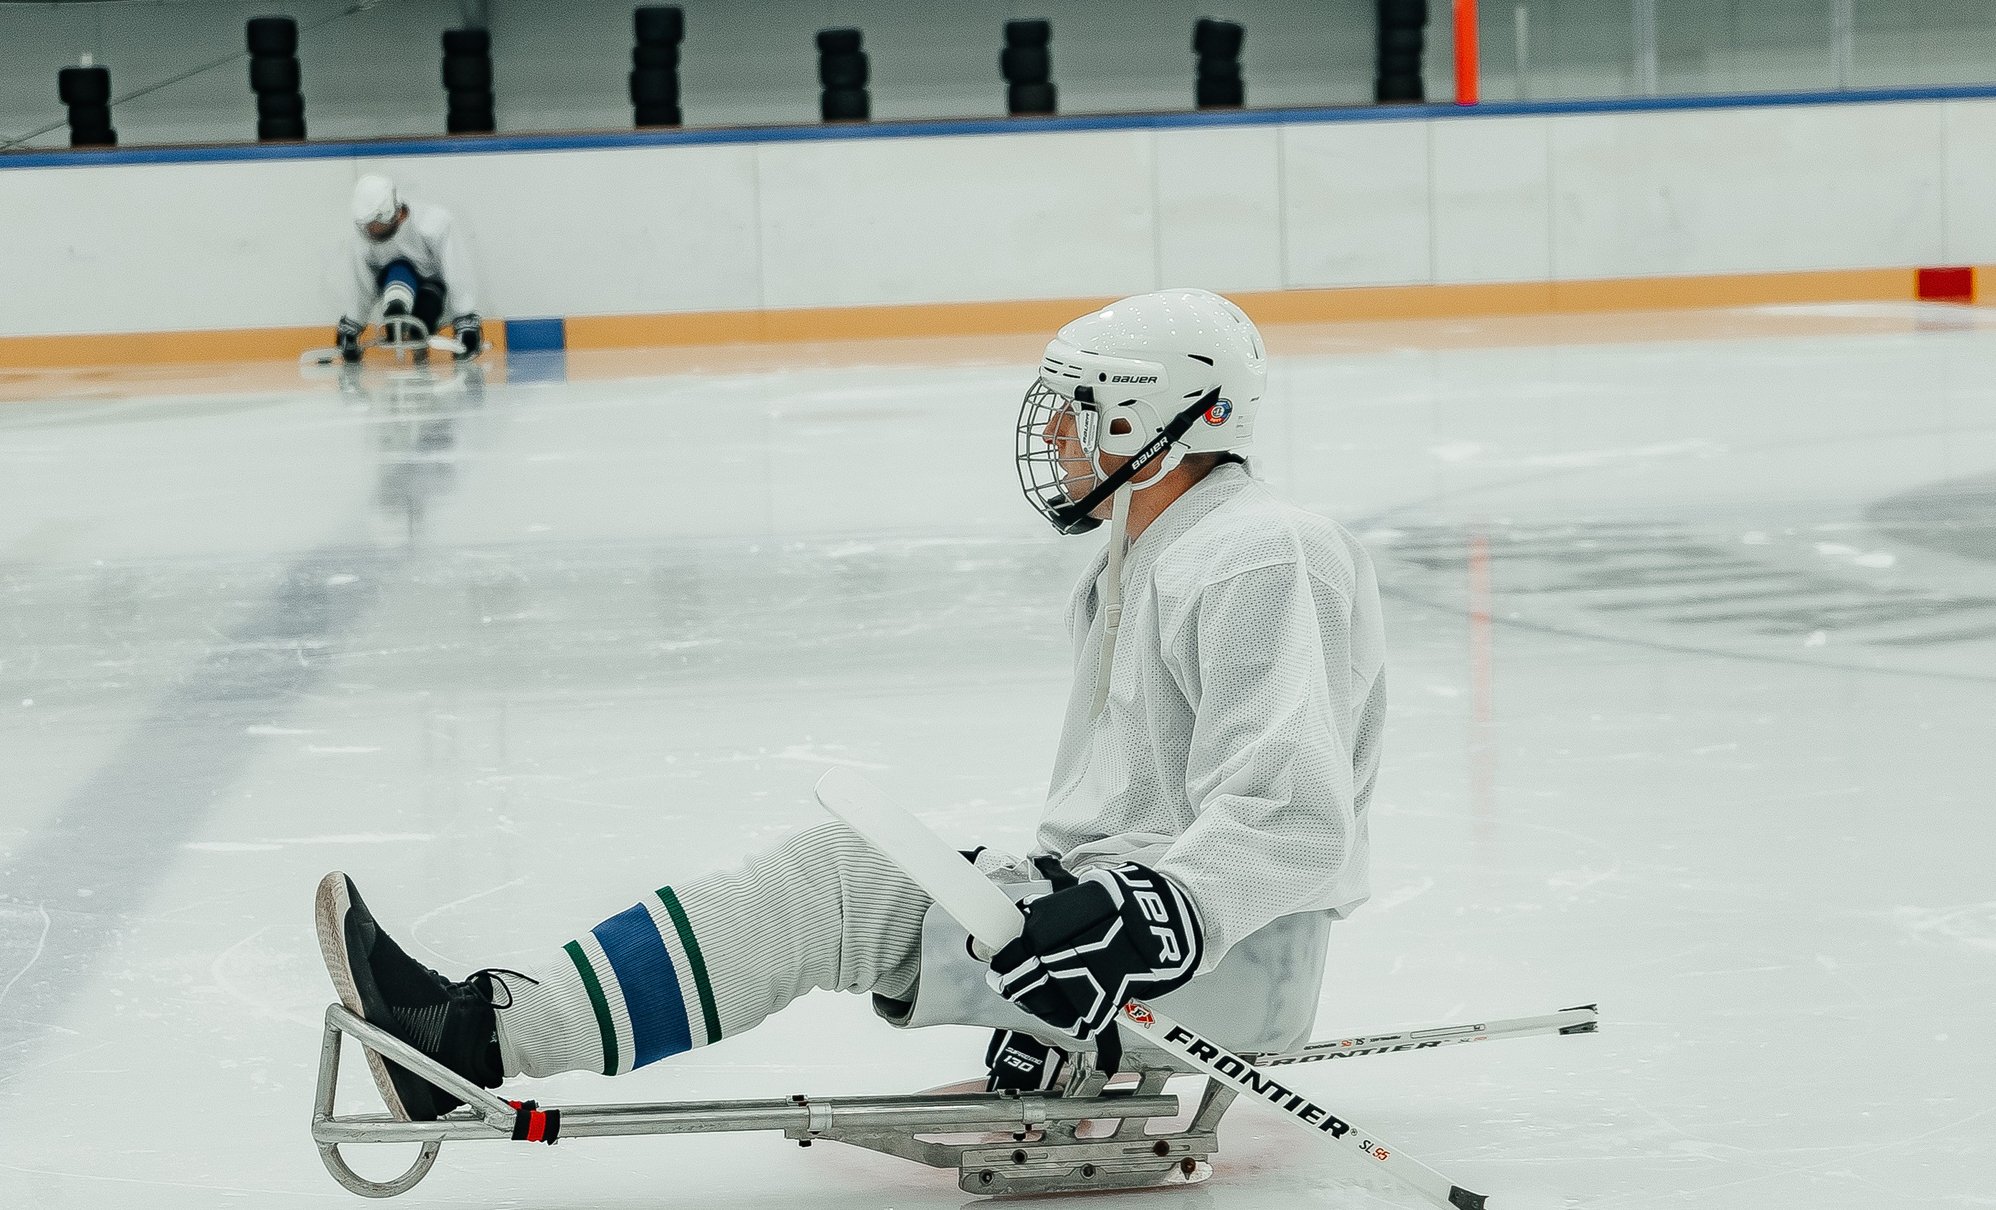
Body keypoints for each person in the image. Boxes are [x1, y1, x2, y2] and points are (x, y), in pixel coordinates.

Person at [314, 287, 1387, 1122]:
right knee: (847, 870)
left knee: (835, 886)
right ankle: (480, 1028)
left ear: (1158, 419)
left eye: (1082, 408)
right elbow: (1127, 808)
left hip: (1232, 966)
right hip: (1143, 941)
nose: (1056, 434)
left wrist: (1126, 929)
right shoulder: (1146, 554)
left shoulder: (1256, 553)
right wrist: (1066, 931)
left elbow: (1291, 818)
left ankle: (472, 1039)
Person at [337, 174, 484, 363]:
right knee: (399, 271)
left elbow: (456, 271)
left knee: (423, 312)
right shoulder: (362, 242)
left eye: (375, 225)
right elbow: (362, 283)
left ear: (393, 213)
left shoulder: (434, 224)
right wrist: (353, 324)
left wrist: (465, 318)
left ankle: (417, 329)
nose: (371, 231)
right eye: (366, 226)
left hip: (432, 290)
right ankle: (396, 310)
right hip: (391, 287)